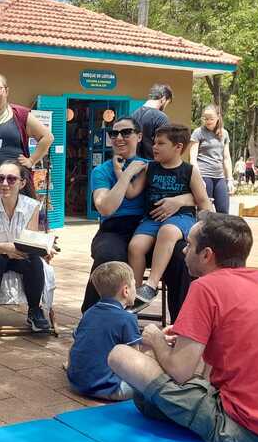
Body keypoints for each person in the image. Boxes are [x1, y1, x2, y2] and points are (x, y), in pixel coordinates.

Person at [108, 212, 258, 442]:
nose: (183, 251)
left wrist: (155, 338)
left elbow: (180, 371)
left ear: (206, 255)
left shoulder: (205, 287)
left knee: (120, 356)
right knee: (149, 394)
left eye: (189, 244)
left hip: (253, 430)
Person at [81, 116, 194, 321]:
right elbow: (106, 207)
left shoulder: (153, 166)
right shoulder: (102, 171)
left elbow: (198, 193)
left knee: (182, 257)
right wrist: (125, 174)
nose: (119, 138)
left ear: (139, 136)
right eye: (114, 133)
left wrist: (179, 200)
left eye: (126, 132)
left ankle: (182, 322)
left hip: (153, 227)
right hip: (115, 229)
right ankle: (95, 318)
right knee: (108, 257)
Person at [127, 124, 211, 311]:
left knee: (168, 231)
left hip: (181, 219)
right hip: (152, 219)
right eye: (154, 143)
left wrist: (205, 227)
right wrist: (123, 172)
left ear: (178, 147)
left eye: (161, 143)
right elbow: (132, 192)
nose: (154, 147)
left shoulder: (189, 171)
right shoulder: (150, 168)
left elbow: (203, 201)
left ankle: (151, 286)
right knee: (135, 246)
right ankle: (134, 296)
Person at [0, 160, 53, 334]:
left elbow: (30, 241)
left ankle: (34, 311)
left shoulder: (32, 206)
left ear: (22, 183)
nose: (5, 183)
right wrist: (8, 248)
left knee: (35, 261)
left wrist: (44, 249)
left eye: (11, 179)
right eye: (0, 178)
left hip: (21, 256)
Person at [67, 261, 138, 401]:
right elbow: (136, 358)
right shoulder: (127, 318)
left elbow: (75, 344)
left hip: (76, 384)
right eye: (135, 285)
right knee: (152, 378)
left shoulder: (89, 312)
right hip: (110, 389)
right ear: (126, 290)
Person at [189, 105, 233, 213]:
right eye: (205, 118)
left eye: (211, 119)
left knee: (223, 211)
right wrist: (198, 179)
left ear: (218, 117)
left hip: (219, 176)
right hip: (204, 175)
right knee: (204, 212)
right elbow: (193, 158)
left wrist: (230, 179)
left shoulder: (224, 133)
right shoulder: (198, 132)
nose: (208, 121)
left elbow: (226, 158)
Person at [132, 83, 173, 159]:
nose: (165, 107)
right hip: (153, 163)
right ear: (163, 99)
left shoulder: (134, 114)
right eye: (167, 103)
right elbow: (165, 145)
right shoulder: (161, 117)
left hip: (134, 162)